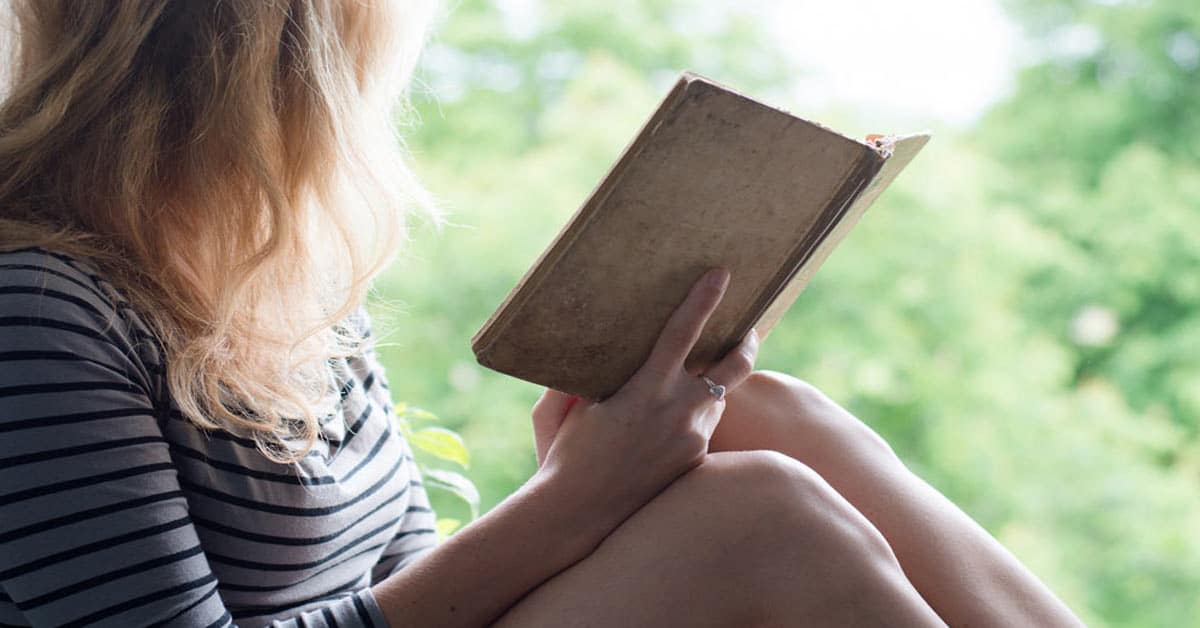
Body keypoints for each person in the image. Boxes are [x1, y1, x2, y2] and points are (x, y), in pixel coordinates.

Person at [0, 1, 1084, 627]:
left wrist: (594, 482)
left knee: (769, 415)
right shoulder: (37, 306)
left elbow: (400, 583)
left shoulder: (277, 274)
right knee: (761, 515)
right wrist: (571, 505)